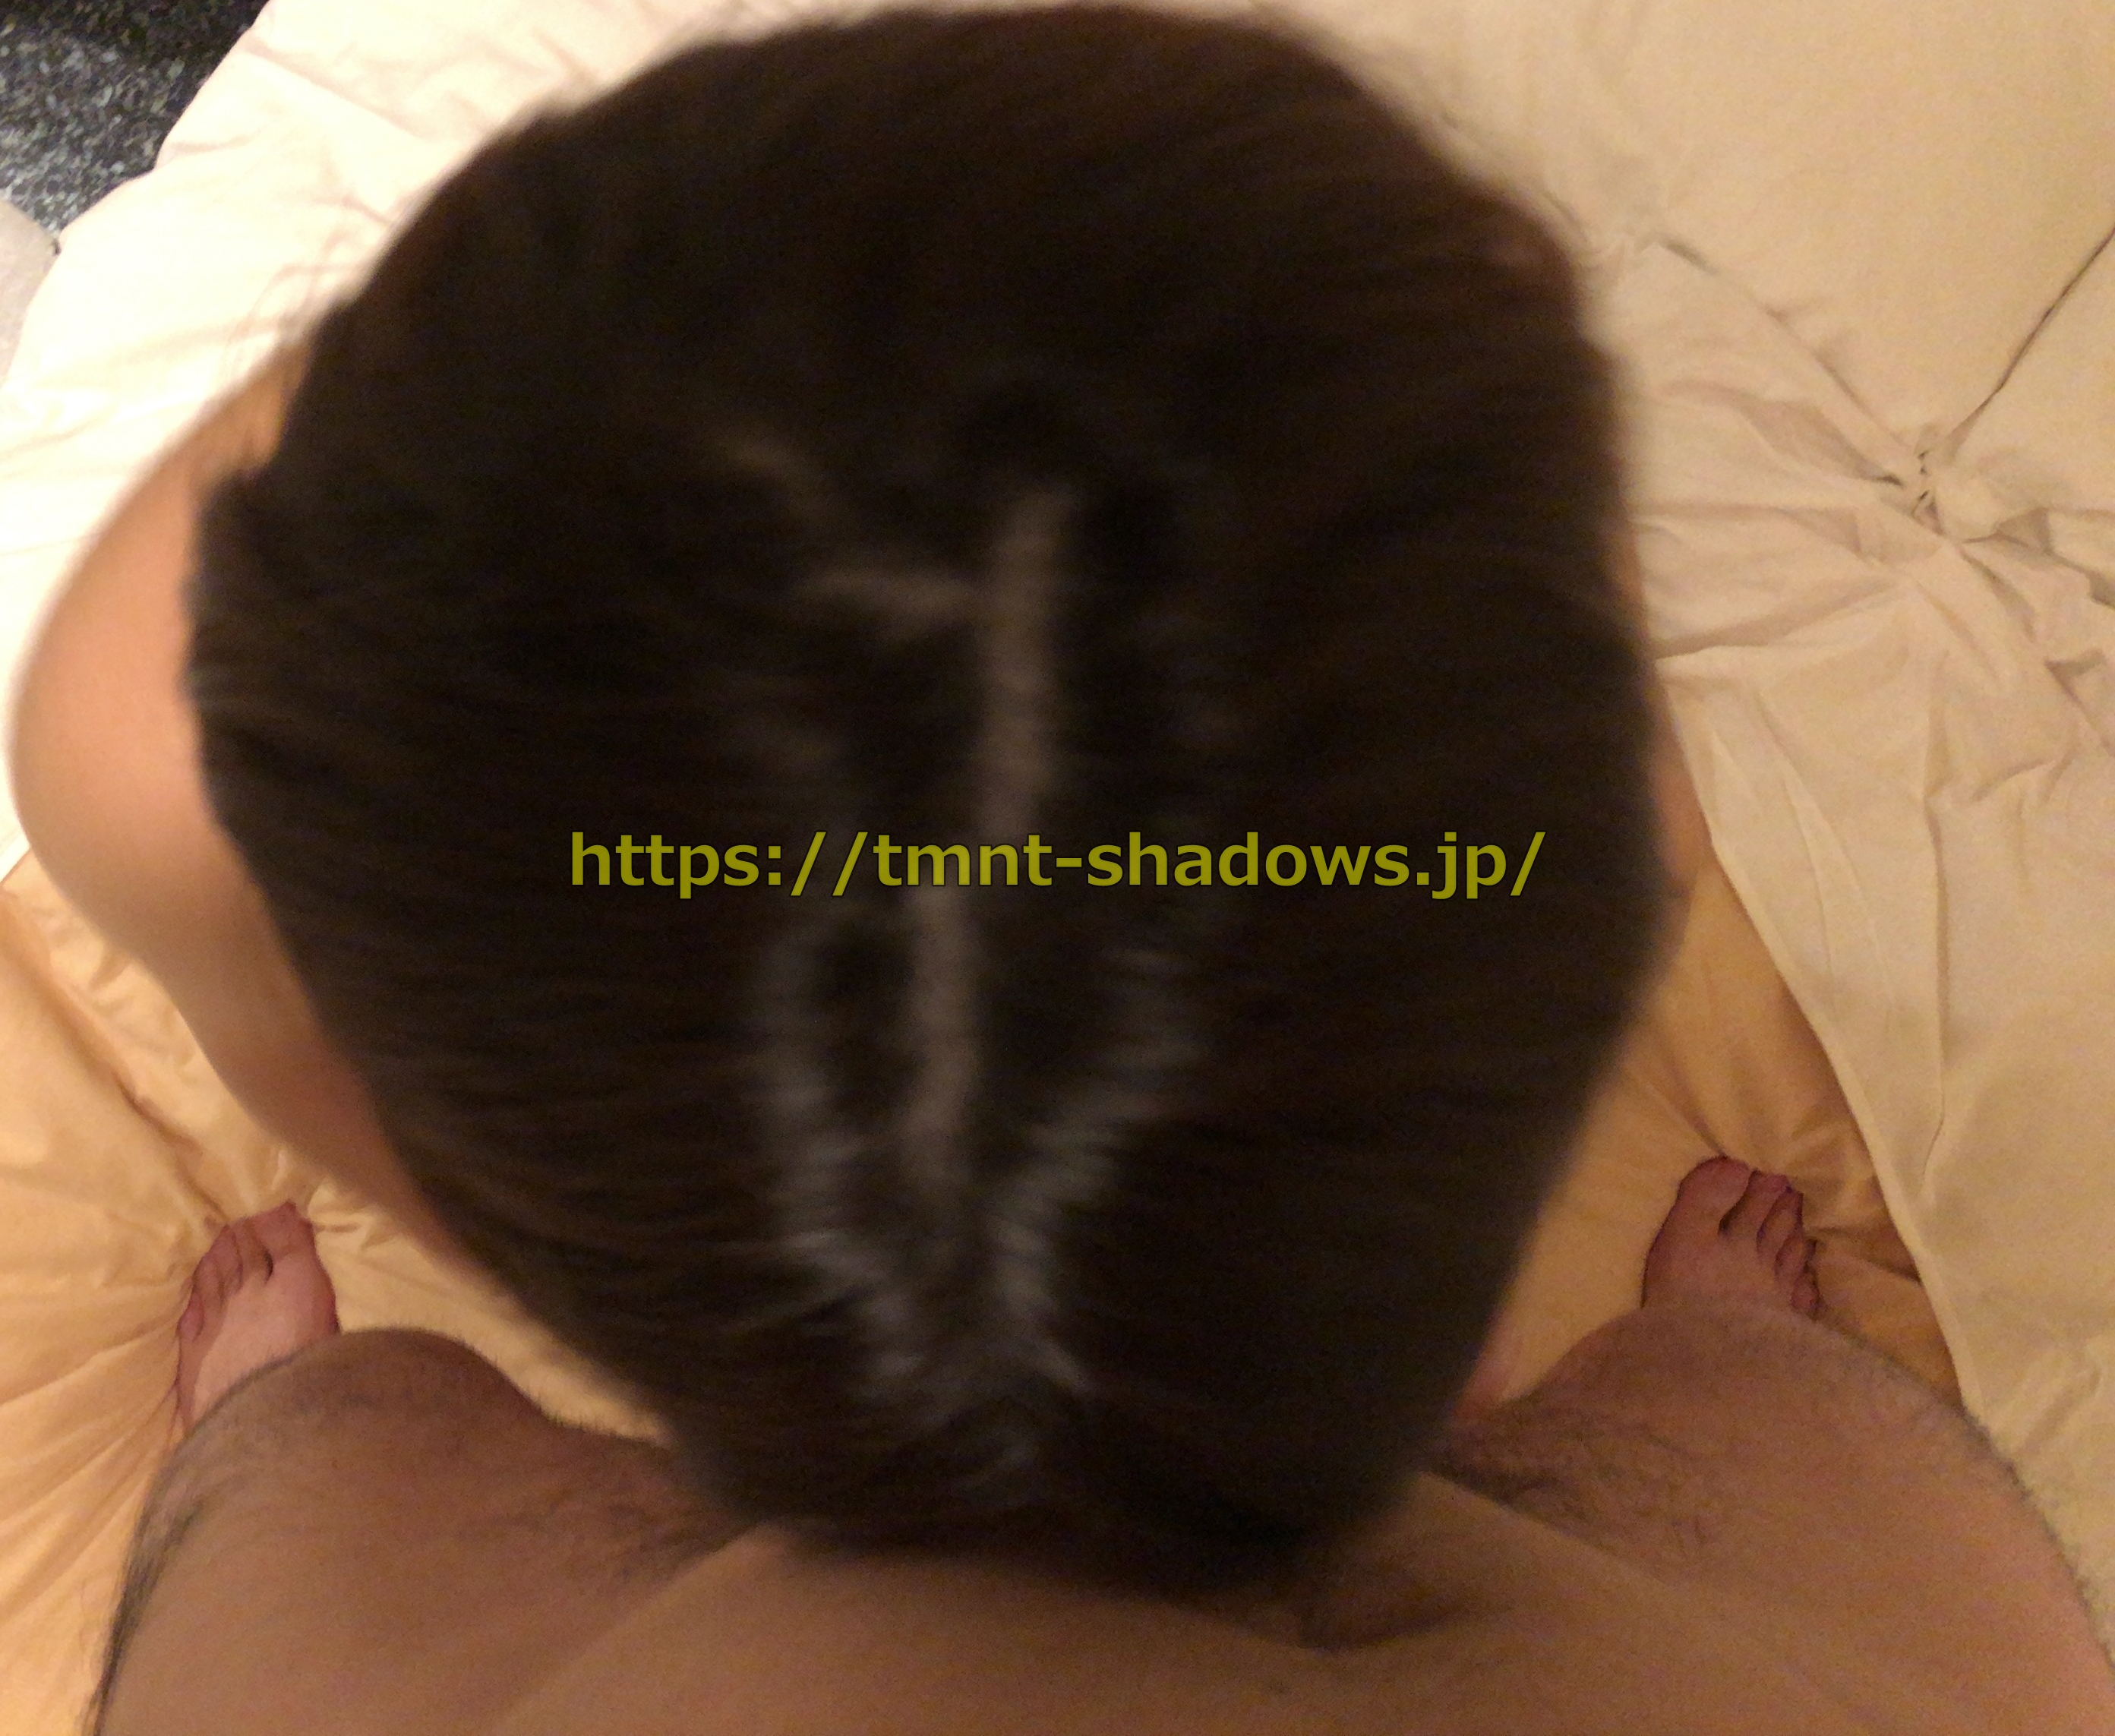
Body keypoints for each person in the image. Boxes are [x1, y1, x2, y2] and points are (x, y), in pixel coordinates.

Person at [8, 7, 2112, 1731]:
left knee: (323, 1447)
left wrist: (549, 351)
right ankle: (1719, 1358)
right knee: (1751, 1408)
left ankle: (278, 1408)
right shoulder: (1920, 1664)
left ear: (444, 1199)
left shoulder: (317, 1660)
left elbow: (111, 751)